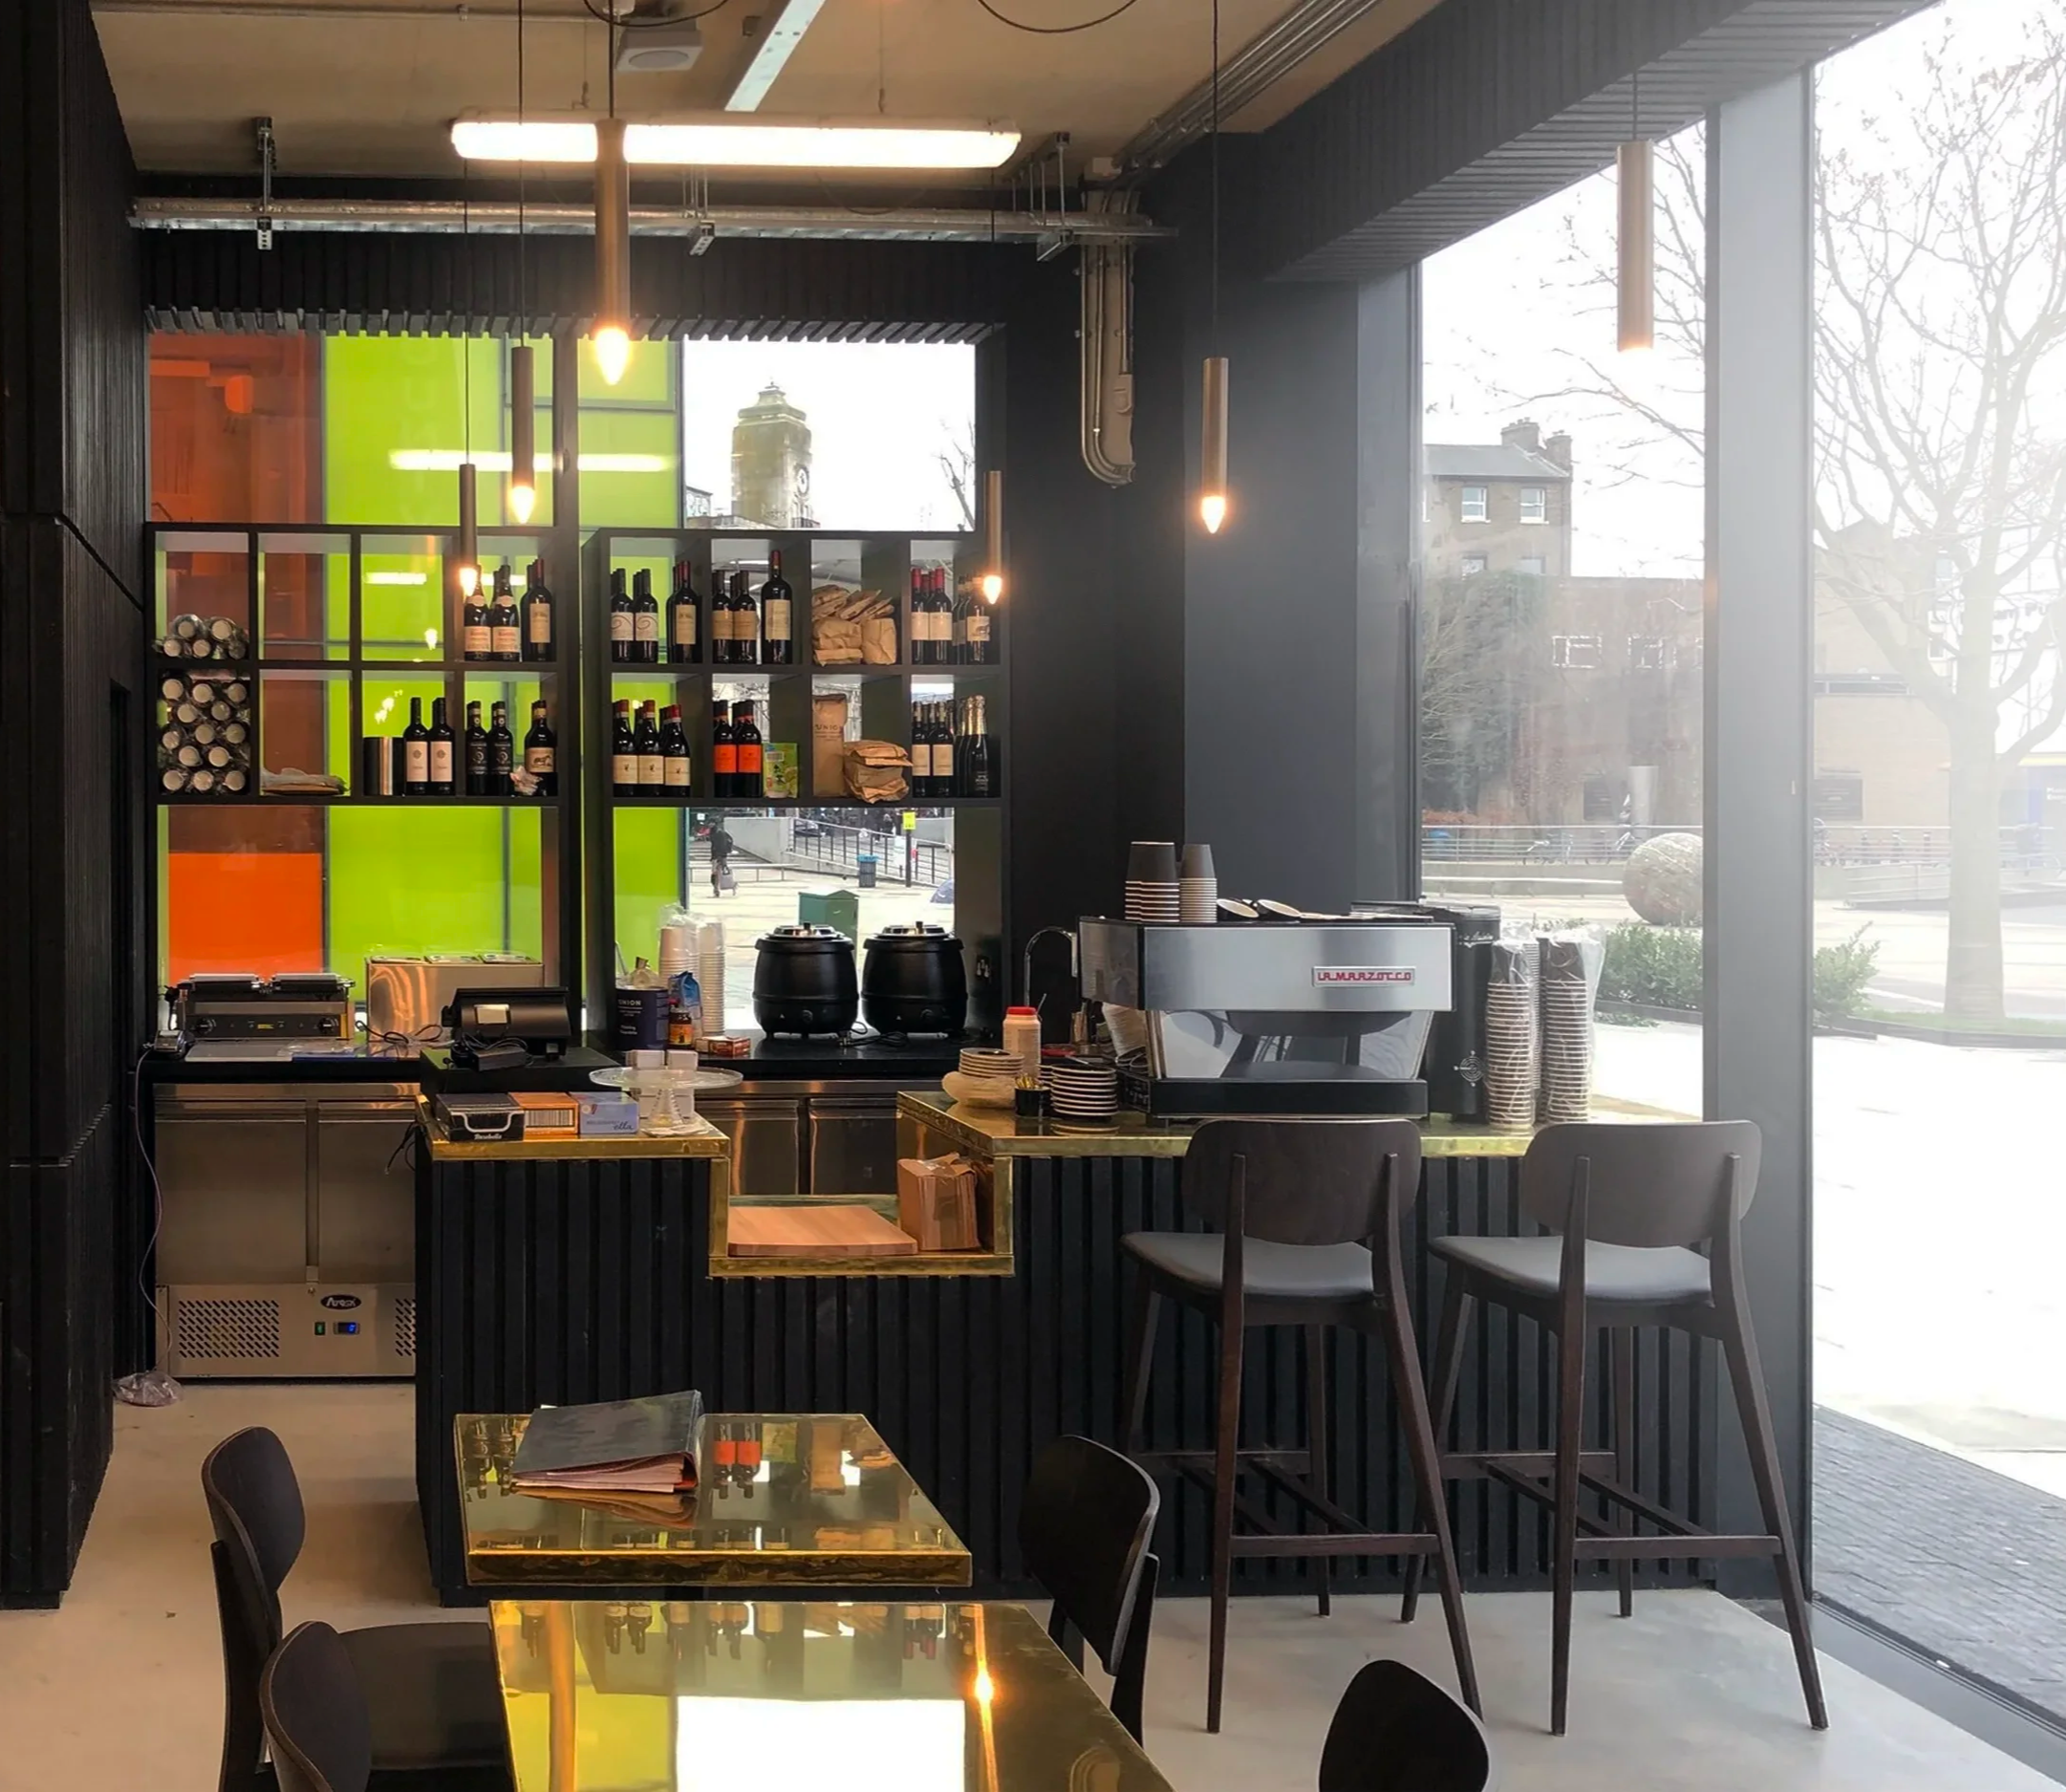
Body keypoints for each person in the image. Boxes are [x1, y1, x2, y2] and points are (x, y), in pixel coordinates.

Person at [708, 821, 735, 897]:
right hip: (716, 856)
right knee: (716, 873)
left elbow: (721, 845)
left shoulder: (719, 833)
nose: (710, 824)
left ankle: (716, 890)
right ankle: (716, 889)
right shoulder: (713, 832)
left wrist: (720, 856)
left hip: (720, 856)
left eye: (712, 823)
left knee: (717, 873)